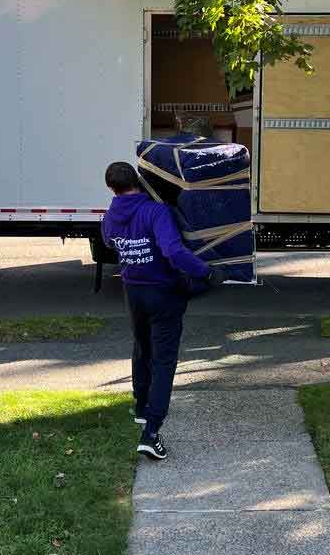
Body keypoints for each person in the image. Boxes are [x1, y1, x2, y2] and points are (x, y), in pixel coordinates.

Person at [101, 161, 221, 461]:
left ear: (111, 188)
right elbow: (173, 251)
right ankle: (151, 434)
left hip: (133, 292)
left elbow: (108, 242)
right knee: (164, 361)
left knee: (142, 350)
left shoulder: (110, 217)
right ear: (138, 181)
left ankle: (142, 409)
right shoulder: (156, 211)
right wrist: (205, 272)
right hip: (162, 293)